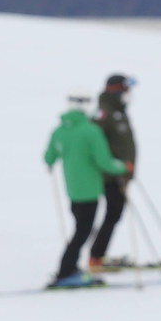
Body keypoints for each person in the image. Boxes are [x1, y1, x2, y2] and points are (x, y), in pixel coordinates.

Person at [44, 94, 127, 287]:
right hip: (89, 190)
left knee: (81, 229)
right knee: (82, 232)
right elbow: (104, 162)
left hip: (72, 190)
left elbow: (49, 156)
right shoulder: (91, 131)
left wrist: (52, 161)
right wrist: (123, 167)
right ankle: (65, 271)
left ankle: (70, 268)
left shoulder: (60, 130)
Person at [87, 74, 138, 271]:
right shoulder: (104, 113)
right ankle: (96, 258)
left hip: (122, 174)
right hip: (111, 176)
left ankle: (98, 255)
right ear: (117, 90)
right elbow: (96, 145)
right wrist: (114, 168)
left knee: (114, 214)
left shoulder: (118, 112)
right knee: (113, 214)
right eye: (126, 90)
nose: (129, 94)